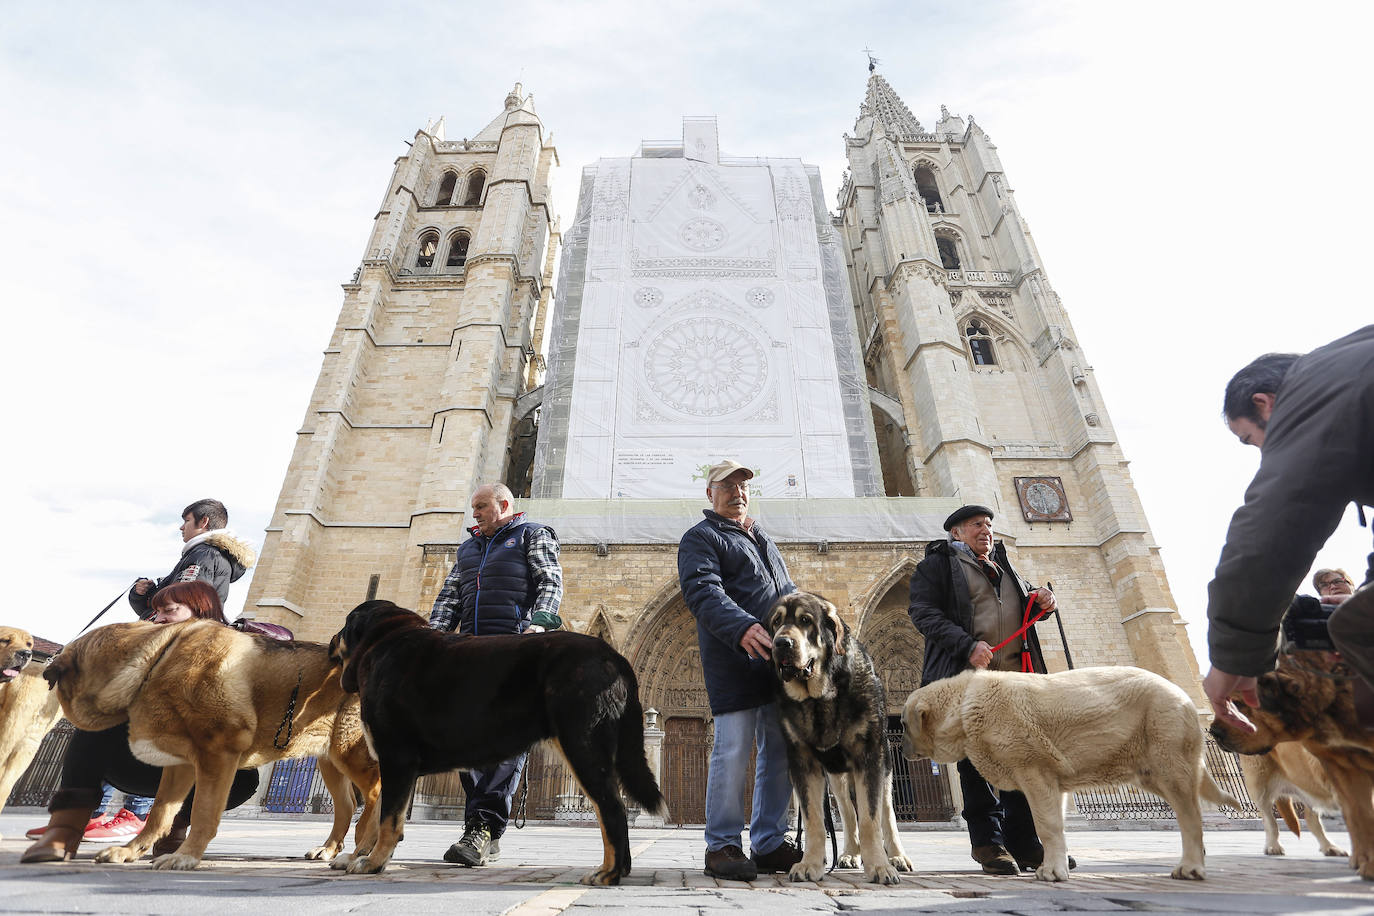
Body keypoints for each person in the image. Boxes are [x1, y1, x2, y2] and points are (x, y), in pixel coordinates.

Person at [1202, 326, 1374, 732]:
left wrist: (1234, 654)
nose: (1265, 453)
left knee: (1357, 628)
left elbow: (1271, 530)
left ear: (1266, 403)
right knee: (1357, 620)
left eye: (1251, 438)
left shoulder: (1309, 401)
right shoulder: (1347, 369)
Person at [22, 582, 259, 863]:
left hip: (200, 770)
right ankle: (64, 829)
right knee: (97, 720)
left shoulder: (238, 654)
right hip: (140, 762)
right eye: (156, 612)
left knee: (245, 775)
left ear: (201, 611)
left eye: (168, 610)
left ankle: (173, 828)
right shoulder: (140, 648)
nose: (158, 619)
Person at [907, 504, 1060, 875]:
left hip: (1014, 681)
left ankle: (1024, 843)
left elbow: (1026, 606)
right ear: (956, 533)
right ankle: (989, 843)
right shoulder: (938, 566)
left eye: (989, 524)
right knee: (976, 763)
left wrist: (1044, 599)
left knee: (1018, 760)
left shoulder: (1004, 565)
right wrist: (965, 645)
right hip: (967, 680)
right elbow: (923, 612)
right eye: (976, 524)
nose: (986, 530)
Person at [677, 459, 803, 881]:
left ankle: (768, 842)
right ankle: (722, 844)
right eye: (727, 486)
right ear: (709, 493)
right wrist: (743, 626)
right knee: (732, 751)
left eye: (743, 485)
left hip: (779, 664)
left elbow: (786, 593)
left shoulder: (761, 536)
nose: (737, 492)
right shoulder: (701, 537)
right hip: (734, 659)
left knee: (780, 752)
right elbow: (702, 591)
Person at [428, 483, 563, 868]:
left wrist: (539, 624)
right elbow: (449, 596)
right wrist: (432, 640)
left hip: (513, 650)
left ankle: (483, 827)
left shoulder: (532, 534)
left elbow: (550, 581)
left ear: (504, 505)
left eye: (481, 506)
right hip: (469, 655)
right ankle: (481, 827)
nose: (475, 514)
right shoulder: (468, 548)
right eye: (473, 508)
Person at [129, 498, 257, 619]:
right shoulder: (203, 554)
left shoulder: (205, 555)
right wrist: (140, 594)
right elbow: (163, 609)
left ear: (203, 522)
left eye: (187, 520)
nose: (182, 527)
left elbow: (179, 610)